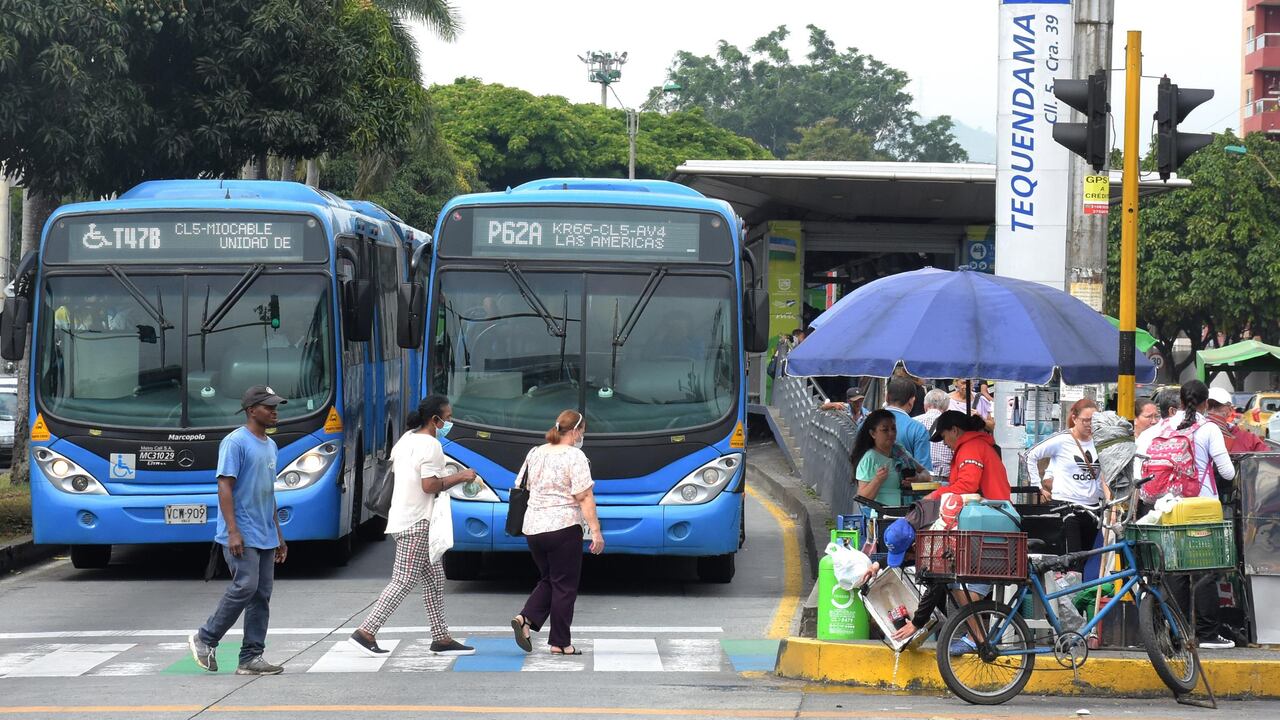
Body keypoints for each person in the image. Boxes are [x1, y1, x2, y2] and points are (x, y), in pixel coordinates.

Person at [348, 395, 477, 658]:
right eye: (447, 418)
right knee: (404, 580)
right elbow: (429, 485)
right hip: (416, 521)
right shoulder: (431, 445)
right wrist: (461, 476)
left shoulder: (407, 438)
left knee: (435, 578)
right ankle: (366, 631)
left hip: (404, 517)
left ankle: (441, 638)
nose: (449, 423)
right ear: (435, 419)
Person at [189, 385, 289, 675]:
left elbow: (267, 492)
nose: (274, 412)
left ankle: (250, 658)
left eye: (276, 407)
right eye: (268, 407)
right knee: (246, 585)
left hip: (265, 532)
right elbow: (224, 486)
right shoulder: (235, 442)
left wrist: (278, 534)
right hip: (241, 532)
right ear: (251, 411)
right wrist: (233, 531)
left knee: (262, 594)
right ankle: (205, 638)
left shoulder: (270, 445)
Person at [1139, 381, 1238, 649]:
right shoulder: (1208, 428)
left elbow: (1141, 465)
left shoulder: (1161, 427)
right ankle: (1206, 634)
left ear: (1179, 401)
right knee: (1205, 569)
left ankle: (1177, 633)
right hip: (1201, 508)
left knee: (1175, 570)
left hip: (1169, 507)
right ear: (1205, 403)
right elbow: (1227, 472)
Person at [511, 410, 605, 656]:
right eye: (582, 432)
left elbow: (520, 485)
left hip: (533, 527)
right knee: (564, 585)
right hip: (563, 527)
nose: (581, 437)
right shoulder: (575, 456)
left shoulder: (535, 452)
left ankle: (525, 619)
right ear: (574, 431)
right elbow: (584, 496)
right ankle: (560, 643)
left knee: (550, 579)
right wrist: (596, 531)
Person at [1024, 398, 1107, 558]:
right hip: (1067, 507)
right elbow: (1030, 456)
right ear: (1074, 418)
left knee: (1087, 557)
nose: (1090, 425)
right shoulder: (1062, 440)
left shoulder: (1100, 440)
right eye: (1086, 420)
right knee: (1073, 558)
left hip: (1093, 508)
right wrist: (1037, 486)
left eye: (1094, 420)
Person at [851, 409, 931, 507]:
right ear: (873, 433)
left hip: (909, 512)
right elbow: (862, 498)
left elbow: (925, 473)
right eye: (885, 430)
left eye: (893, 429)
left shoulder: (899, 451)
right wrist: (877, 480)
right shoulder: (869, 459)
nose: (891, 433)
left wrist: (918, 478)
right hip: (883, 514)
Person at [884, 376, 933, 472]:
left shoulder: (866, 423)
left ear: (886, 397)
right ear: (911, 401)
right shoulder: (918, 429)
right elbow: (924, 472)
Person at [1206, 386, 1268, 454]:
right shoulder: (1198, 435)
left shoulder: (1248, 439)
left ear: (1230, 410)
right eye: (1208, 406)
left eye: (1218, 406)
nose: (1212, 411)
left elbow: (1267, 456)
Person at [917, 389, 954, 484]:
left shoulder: (914, 422)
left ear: (925, 405)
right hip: (944, 478)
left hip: (919, 477)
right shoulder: (951, 425)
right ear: (946, 407)